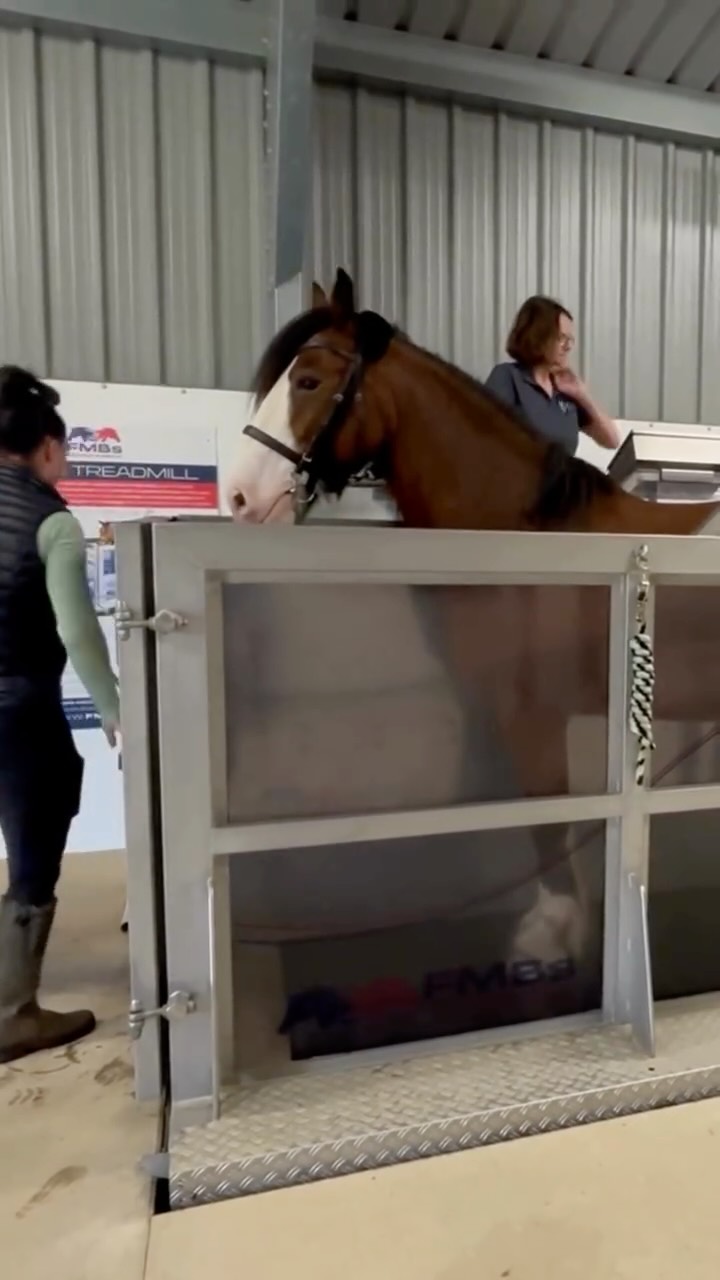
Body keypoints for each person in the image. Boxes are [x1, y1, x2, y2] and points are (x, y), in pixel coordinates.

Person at [0, 366, 120, 1063]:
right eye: (65, 450)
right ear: (46, 448)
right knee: (32, 854)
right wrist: (114, 711)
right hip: (21, 711)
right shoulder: (54, 523)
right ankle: (16, 1013)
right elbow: (78, 632)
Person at [485, 296, 620, 454]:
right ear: (539, 335)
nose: (568, 347)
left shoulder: (566, 391)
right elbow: (485, 435)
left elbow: (612, 440)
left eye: (570, 340)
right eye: (562, 338)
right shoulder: (508, 377)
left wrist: (582, 393)